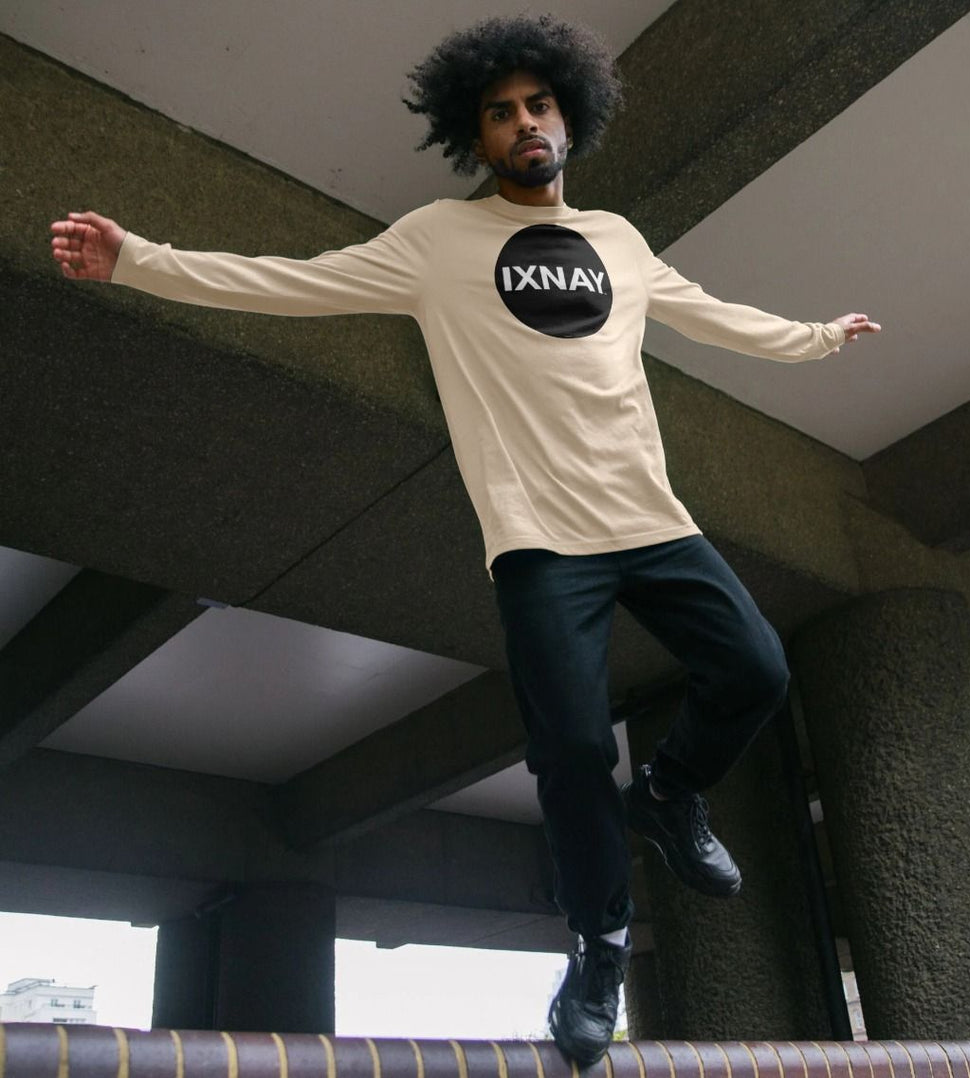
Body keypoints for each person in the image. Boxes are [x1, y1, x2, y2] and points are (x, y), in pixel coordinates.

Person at [50, 13, 880, 1065]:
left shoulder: (618, 240)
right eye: (501, 113)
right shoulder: (434, 245)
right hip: (539, 541)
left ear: (567, 116)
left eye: (539, 105)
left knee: (756, 669)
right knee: (572, 748)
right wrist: (140, 262)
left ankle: (669, 791)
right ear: (473, 138)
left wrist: (816, 339)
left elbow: (709, 313)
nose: (525, 123)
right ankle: (602, 943)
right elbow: (291, 282)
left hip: (650, 520)